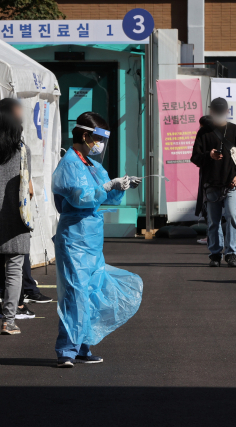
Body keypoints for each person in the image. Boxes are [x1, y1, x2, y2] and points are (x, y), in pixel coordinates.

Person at [52, 112, 143, 368]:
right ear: (84, 135)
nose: (100, 146)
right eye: (97, 139)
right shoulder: (70, 163)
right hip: (74, 237)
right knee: (75, 293)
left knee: (91, 292)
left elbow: (105, 199)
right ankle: (67, 350)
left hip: (91, 239)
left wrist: (120, 187)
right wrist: (105, 187)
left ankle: (82, 346)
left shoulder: (94, 165)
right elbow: (79, 198)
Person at [0, 98, 35, 334]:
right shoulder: (23, 151)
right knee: (14, 270)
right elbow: (28, 187)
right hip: (16, 218)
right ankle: (9, 320)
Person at [191, 98, 236, 267]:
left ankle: (231, 253)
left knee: (232, 216)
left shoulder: (235, 131)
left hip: (232, 183)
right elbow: (195, 157)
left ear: (226, 112)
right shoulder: (204, 133)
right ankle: (215, 254)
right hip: (211, 183)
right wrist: (209, 155)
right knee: (213, 221)